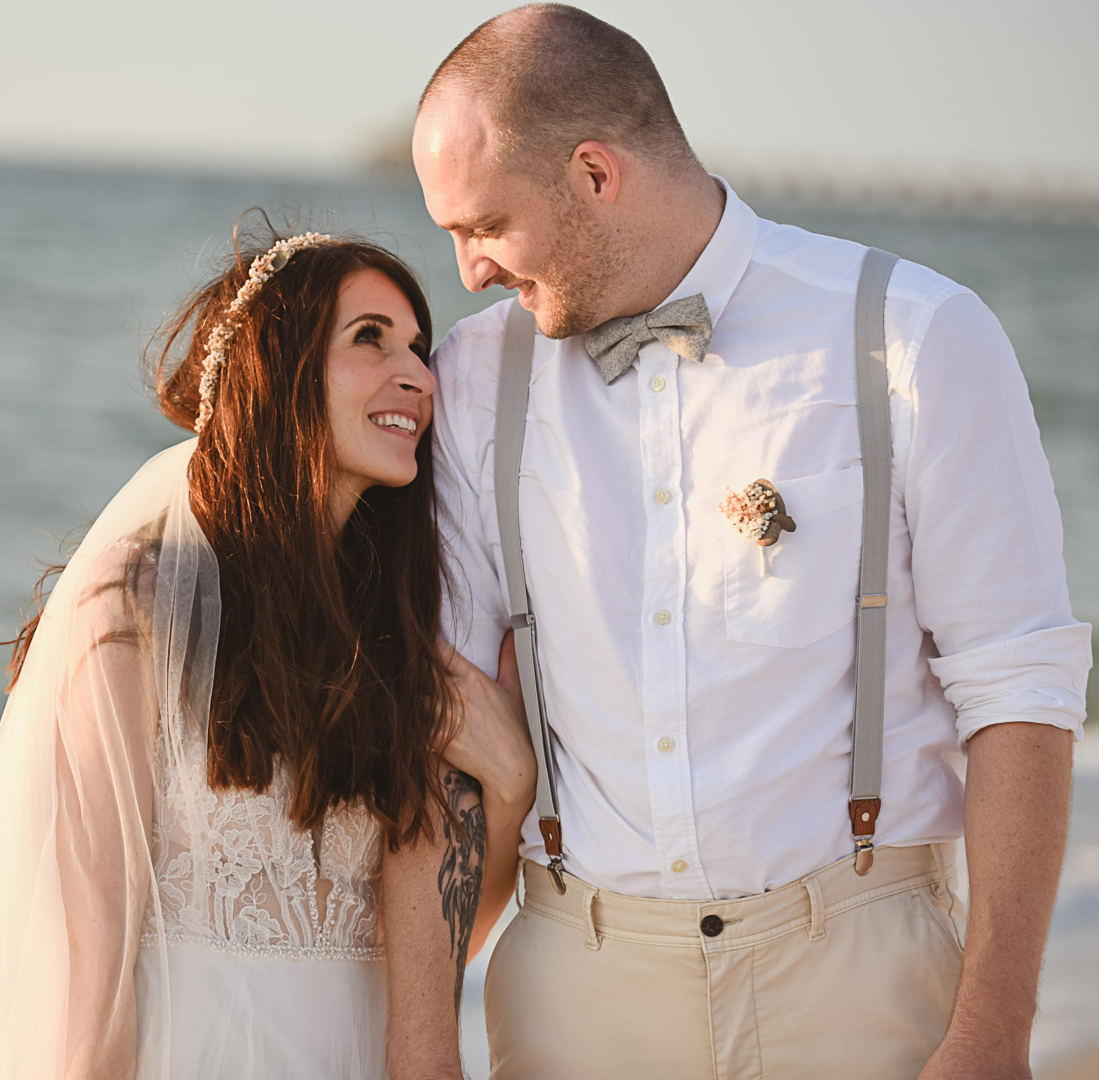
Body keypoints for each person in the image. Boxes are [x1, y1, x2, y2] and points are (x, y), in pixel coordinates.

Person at [407, 6, 1091, 1078]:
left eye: (485, 224)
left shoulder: (912, 336)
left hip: (865, 981)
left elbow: (1019, 691)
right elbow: (442, 736)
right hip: (574, 997)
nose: (470, 271)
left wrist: (994, 1032)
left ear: (594, 174)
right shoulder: (478, 379)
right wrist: (418, 1052)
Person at [0, 223, 537, 1079]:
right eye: (370, 339)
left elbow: (450, 944)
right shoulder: (131, 606)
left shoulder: (394, 629)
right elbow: (87, 966)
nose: (418, 376)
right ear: (278, 372)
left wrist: (511, 784)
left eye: (419, 347)